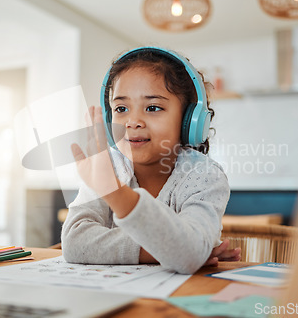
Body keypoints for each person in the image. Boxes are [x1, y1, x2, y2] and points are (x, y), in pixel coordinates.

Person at [62, 47, 240, 274]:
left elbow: (190, 254)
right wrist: (167, 251)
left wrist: (114, 192)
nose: (132, 121)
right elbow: (75, 243)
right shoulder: (107, 167)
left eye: (153, 107)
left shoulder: (204, 175)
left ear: (189, 121)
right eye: (121, 108)